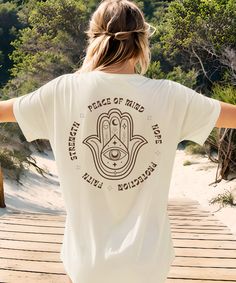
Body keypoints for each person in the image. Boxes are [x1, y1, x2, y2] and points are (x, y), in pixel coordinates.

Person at [0, 0, 236, 282]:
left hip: (86, 263)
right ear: (142, 40)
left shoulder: (62, 91)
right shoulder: (171, 96)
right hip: (148, 262)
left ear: (92, 38)